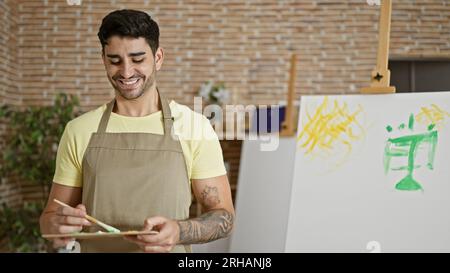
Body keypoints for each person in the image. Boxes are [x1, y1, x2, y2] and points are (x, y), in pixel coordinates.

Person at [39, 9, 234, 253]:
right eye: (115, 60)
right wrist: (56, 226)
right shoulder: (79, 130)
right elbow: (50, 218)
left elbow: (224, 216)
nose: (127, 72)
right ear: (103, 59)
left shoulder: (195, 127)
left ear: (159, 57)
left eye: (138, 59)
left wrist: (179, 231)